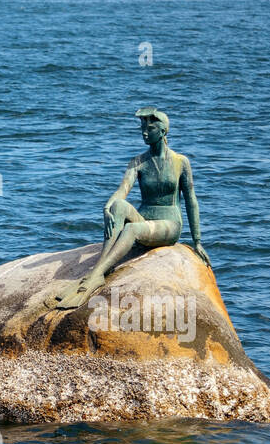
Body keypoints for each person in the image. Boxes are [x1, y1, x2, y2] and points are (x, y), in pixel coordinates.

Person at [46, 107, 210, 310]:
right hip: (145, 218)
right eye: (142, 127)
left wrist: (197, 241)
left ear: (163, 131)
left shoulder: (180, 162)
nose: (144, 132)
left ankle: (96, 275)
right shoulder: (138, 162)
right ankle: (100, 270)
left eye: (150, 128)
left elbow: (191, 200)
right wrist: (107, 208)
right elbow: (122, 190)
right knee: (118, 206)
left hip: (169, 224)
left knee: (131, 229)